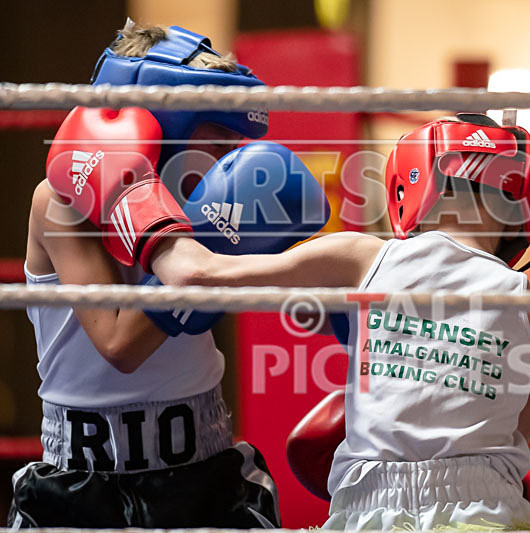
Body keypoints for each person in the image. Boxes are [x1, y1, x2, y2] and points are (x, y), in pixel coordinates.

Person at [55, 111, 530, 530]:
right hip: (495, 512)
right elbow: (509, 443)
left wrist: (130, 191)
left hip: (376, 512)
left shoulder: (363, 257)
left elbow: (192, 276)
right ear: (521, 202)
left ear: (413, 184)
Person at [12, 21, 327, 529]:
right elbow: (118, 344)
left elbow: (309, 290)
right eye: (217, 131)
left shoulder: (213, 203)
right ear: (159, 118)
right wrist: (204, 257)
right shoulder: (61, 202)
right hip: (80, 477)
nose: (233, 153)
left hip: (200, 466)